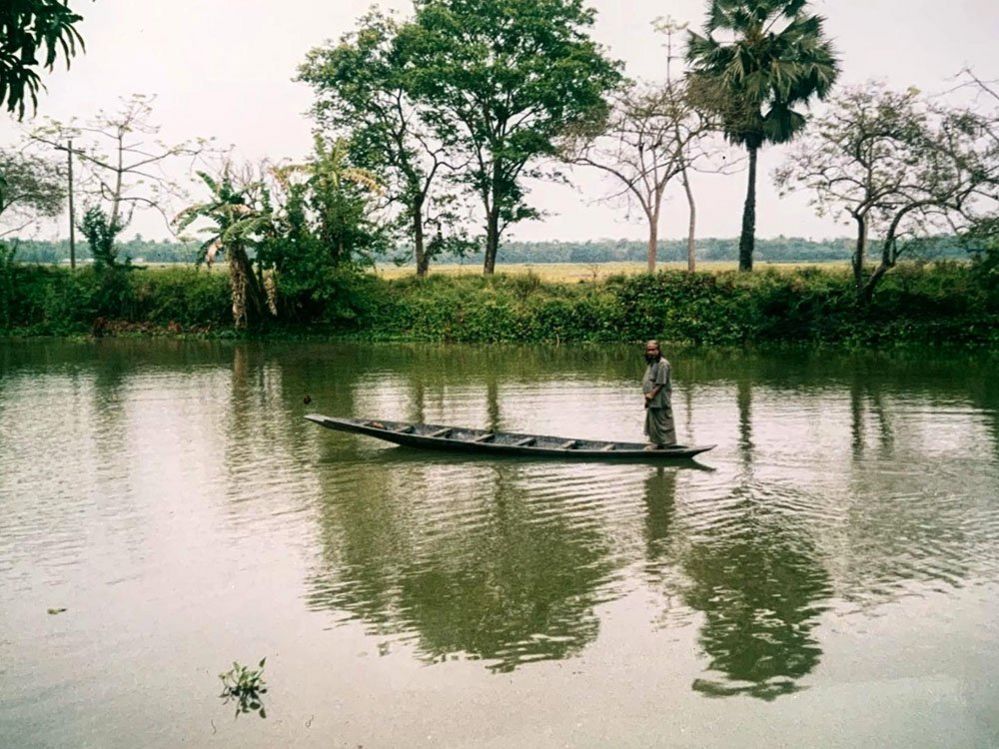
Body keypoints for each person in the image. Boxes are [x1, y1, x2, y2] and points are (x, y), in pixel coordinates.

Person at [642, 340, 677, 449]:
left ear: (658, 350)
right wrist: (647, 400)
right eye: (649, 350)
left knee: (662, 421)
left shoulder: (663, 364)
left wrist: (651, 395)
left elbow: (661, 383)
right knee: (653, 422)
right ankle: (657, 444)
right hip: (653, 400)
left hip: (660, 399)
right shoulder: (652, 363)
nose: (651, 352)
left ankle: (666, 445)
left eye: (653, 350)